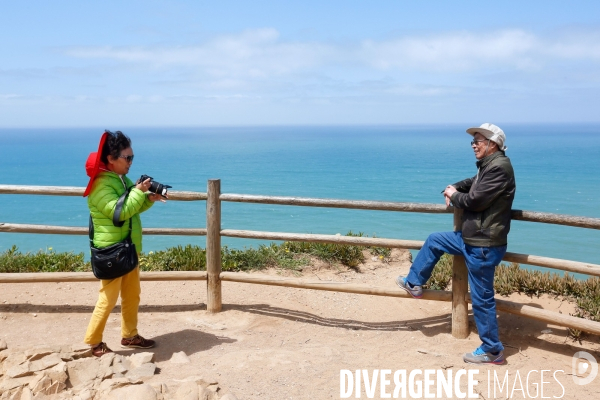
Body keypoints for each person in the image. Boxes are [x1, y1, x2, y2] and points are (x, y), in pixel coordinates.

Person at [395, 123, 516, 365]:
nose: (473, 144)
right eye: (473, 141)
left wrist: (454, 196)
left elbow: (476, 200)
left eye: (478, 140)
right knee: (435, 240)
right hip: (472, 239)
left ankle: (493, 350)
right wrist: (453, 187)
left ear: (493, 144)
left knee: (482, 298)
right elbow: (473, 183)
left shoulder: (500, 168)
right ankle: (414, 283)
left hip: (483, 244)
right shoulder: (489, 166)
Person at [83, 130, 167, 357]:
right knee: (108, 298)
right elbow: (118, 213)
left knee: (132, 295)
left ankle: (130, 336)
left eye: (132, 158)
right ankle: (94, 342)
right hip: (112, 251)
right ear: (111, 159)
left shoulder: (121, 179)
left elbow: (132, 207)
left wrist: (148, 198)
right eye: (127, 158)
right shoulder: (102, 185)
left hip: (127, 248)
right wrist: (138, 192)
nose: (130, 162)